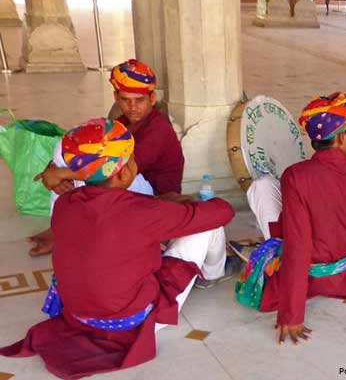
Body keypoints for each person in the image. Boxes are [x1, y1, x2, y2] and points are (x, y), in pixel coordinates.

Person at [0, 118, 238, 379]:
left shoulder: (66, 203)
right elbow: (222, 212)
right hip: (130, 324)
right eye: (132, 157)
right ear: (124, 172)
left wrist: (162, 204)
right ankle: (214, 274)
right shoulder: (141, 213)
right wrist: (184, 206)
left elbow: (117, 210)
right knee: (206, 225)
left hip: (77, 315)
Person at [246, 92, 346, 345]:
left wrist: (292, 313)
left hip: (310, 279)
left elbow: (298, 244)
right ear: (341, 137)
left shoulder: (295, 175)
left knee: (263, 185)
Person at [28, 59, 185, 257]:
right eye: (126, 100)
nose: (132, 107)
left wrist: (56, 174)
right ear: (116, 98)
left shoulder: (158, 128)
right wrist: (56, 171)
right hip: (128, 182)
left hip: (156, 196)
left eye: (139, 100)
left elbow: (117, 170)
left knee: (93, 171)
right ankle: (61, 228)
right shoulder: (121, 123)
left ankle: (62, 230)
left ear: (152, 98)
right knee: (67, 149)